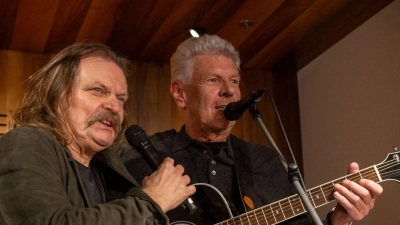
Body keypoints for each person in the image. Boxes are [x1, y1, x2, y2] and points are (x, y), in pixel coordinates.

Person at [120, 34, 383, 225]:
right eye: (213, 80)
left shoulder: (266, 162)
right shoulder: (139, 161)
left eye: (234, 81)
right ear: (180, 94)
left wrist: (339, 220)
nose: (230, 90)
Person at [0, 42, 195, 225]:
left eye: (121, 98)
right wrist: (151, 202)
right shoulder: (24, 143)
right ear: (57, 97)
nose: (114, 106)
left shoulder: (107, 166)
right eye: (98, 90)